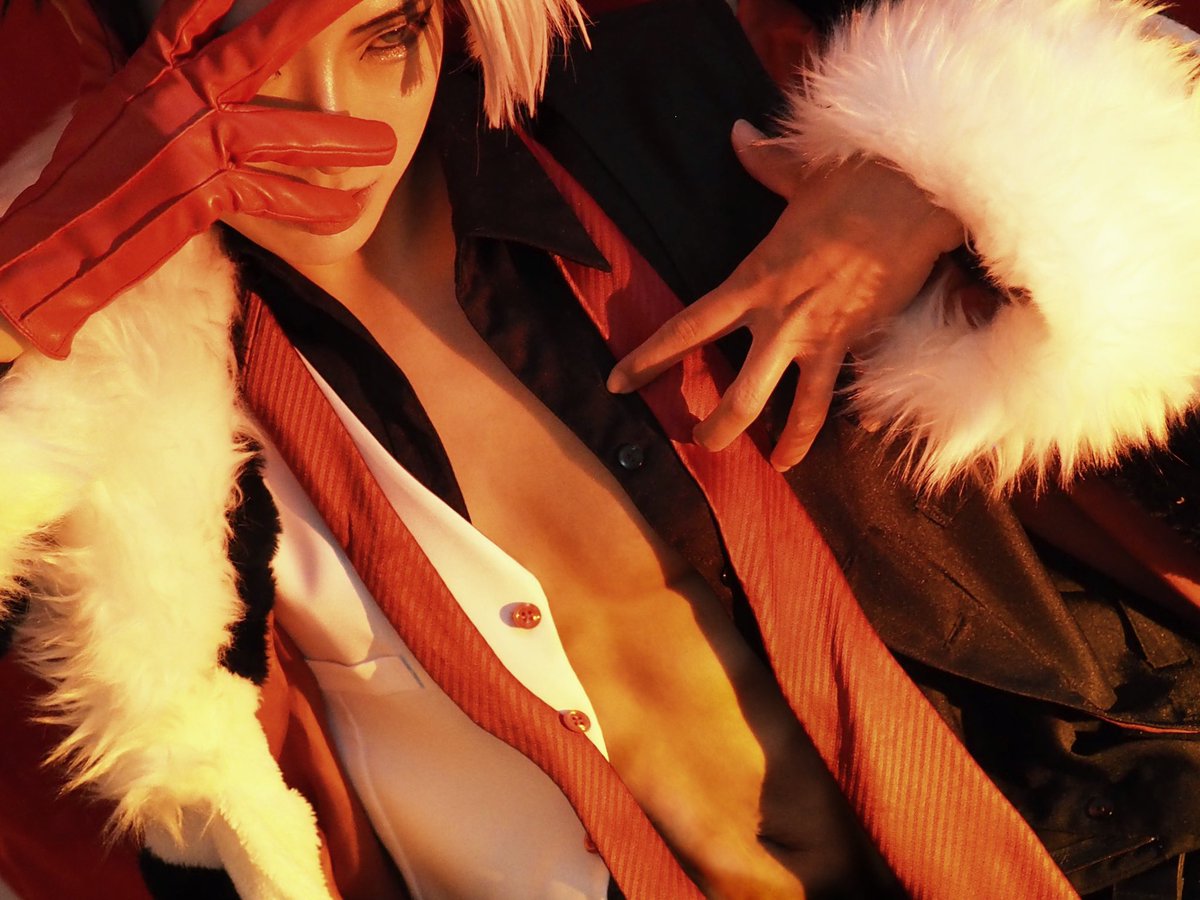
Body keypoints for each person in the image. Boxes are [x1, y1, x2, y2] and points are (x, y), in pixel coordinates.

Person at [2, 0, 1200, 898]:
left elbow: (1115, 89)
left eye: (385, 34)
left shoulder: (683, 105)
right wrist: (36, 284)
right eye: (243, 65)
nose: (331, 119)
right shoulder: (125, 413)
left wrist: (934, 183)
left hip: (1090, 827)